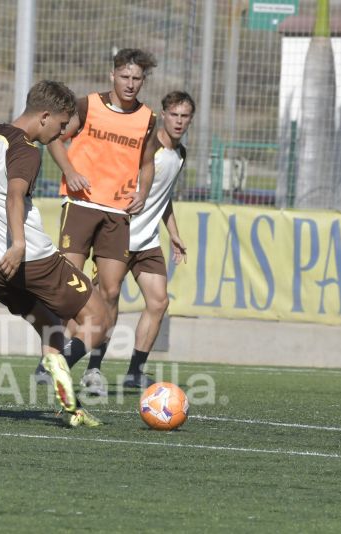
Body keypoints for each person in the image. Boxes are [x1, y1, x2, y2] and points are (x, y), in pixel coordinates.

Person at [0, 80, 107, 427]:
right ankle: (57, 366)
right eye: (61, 125)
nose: (61, 133)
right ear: (44, 116)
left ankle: (71, 408)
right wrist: (18, 244)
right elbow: (14, 196)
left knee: (51, 328)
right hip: (28, 258)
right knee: (98, 318)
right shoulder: (27, 149)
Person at [34, 48, 158, 396]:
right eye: (125, 76)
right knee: (68, 287)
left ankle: (93, 369)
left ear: (143, 81)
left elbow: (147, 163)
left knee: (111, 291)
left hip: (117, 214)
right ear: (112, 75)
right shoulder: (88, 105)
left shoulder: (147, 118)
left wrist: (143, 192)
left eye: (137, 78)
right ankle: (50, 358)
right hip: (81, 205)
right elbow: (54, 139)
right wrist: (70, 171)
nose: (130, 83)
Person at [121, 90, 194, 388]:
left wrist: (173, 233)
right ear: (164, 115)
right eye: (174, 114)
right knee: (101, 304)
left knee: (159, 302)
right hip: (120, 236)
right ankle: (88, 368)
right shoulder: (148, 147)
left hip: (148, 241)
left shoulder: (180, 154)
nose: (179, 121)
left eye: (185, 116)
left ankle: (134, 372)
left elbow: (164, 197)